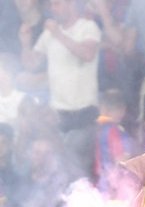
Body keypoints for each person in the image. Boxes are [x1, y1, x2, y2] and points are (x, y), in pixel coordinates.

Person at [19, 0, 102, 182]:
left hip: (82, 114)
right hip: (57, 117)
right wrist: (25, 44)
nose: (53, 9)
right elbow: (31, 63)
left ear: (70, 4)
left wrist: (58, 34)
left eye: (57, 4)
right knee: (59, 172)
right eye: (51, 5)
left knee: (77, 171)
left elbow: (87, 54)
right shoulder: (49, 33)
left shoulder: (87, 27)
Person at [95, 88, 134, 195]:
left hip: (101, 183)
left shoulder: (98, 128)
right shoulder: (114, 131)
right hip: (113, 186)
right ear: (122, 110)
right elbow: (121, 160)